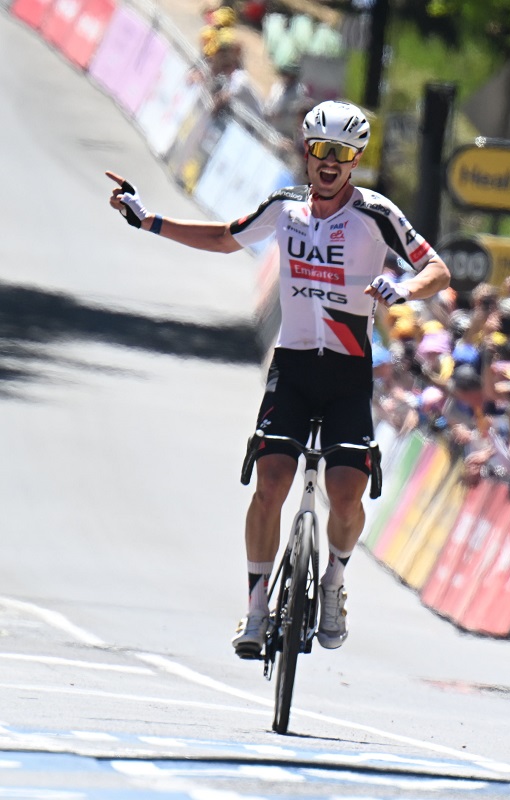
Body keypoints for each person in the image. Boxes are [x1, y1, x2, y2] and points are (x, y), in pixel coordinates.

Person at [106, 100, 450, 658]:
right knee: (269, 485)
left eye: (342, 154)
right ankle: (257, 607)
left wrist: (403, 290)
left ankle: (335, 582)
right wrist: (149, 220)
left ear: (357, 159)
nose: (330, 163)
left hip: (346, 373)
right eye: (321, 151)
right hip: (291, 369)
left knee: (345, 493)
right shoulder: (285, 208)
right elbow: (224, 235)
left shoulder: (378, 213)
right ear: (307, 153)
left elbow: (436, 268)